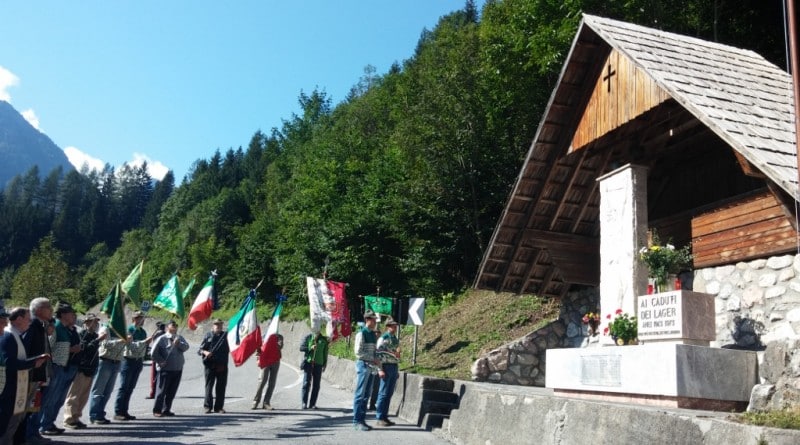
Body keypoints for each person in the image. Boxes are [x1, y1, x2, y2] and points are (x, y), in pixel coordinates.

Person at [0, 307, 49, 445]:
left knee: (12, 423)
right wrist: (33, 363)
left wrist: (34, 361)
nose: (30, 322)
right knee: (6, 424)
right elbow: (10, 363)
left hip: (15, 387)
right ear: (19, 319)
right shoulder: (9, 336)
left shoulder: (15, 335)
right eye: (28, 319)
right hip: (9, 388)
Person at [39, 302, 82, 436]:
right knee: (51, 399)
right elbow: (48, 347)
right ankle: (44, 425)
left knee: (59, 399)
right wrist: (71, 349)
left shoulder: (65, 328)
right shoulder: (57, 327)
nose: (73, 315)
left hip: (63, 366)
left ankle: (49, 422)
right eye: (70, 313)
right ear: (63, 315)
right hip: (55, 366)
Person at [20, 297, 54, 445]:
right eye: (48, 307)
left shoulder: (40, 324)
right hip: (32, 373)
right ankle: (27, 436)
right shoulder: (32, 325)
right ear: (39, 310)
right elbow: (25, 350)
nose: (51, 310)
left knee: (35, 406)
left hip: (39, 373)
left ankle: (33, 433)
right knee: (28, 408)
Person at [62, 313, 101, 429]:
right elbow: (85, 349)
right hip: (81, 368)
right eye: (92, 321)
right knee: (74, 395)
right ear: (86, 323)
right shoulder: (82, 334)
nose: (95, 324)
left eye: (96, 322)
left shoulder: (95, 335)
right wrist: (98, 340)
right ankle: (69, 419)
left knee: (84, 396)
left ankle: (77, 417)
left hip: (91, 368)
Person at [114, 311, 154, 420]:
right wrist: (144, 342)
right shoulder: (129, 330)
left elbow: (144, 348)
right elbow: (129, 345)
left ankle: (125, 411)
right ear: (134, 319)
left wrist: (146, 345)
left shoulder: (143, 331)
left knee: (131, 387)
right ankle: (118, 411)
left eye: (143, 318)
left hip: (138, 360)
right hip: (128, 359)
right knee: (124, 387)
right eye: (139, 318)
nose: (142, 320)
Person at [88, 317, 125, 425]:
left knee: (107, 392)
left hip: (116, 361)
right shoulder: (105, 328)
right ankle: (94, 415)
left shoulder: (121, 330)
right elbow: (104, 344)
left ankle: (100, 414)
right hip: (105, 361)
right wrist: (120, 341)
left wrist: (127, 340)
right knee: (98, 391)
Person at [151, 320, 189, 417]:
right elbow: (153, 353)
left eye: (176, 325)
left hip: (177, 368)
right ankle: (157, 410)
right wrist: (160, 361)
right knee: (161, 391)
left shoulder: (179, 337)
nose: (175, 326)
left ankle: (166, 409)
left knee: (172, 391)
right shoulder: (162, 338)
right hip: (165, 369)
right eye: (173, 325)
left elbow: (186, 347)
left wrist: (178, 344)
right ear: (167, 327)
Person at [352, 310, 380, 431]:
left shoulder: (373, 334)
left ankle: (362, 420)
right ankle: (356, 421)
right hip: (363, 365)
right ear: (368, 320)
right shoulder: (361, 333)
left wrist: (376, 359)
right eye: (374, 320)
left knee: (366, 395)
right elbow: (358, 352)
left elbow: (374, 351)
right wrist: (372, 358)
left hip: (371, 366)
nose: (375, 322)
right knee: (360, 394)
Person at [198, 318, 229, 413]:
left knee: (221, 387)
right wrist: (205, 352)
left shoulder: (226, 335)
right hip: (210, 365)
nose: (218, 326)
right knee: (209, 386)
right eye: (216, 324)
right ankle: (208, 406)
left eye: (220, 324)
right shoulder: (208, 335)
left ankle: (219, 407)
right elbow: (200, 350)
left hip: (222, 364)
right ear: (213, 326)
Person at [375, 317, 401, 426]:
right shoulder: (383, 338)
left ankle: (385, 416)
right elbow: (378, 354)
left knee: (389, 393)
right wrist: (380, 369)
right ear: (388, 327)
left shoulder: (395, 339)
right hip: (385, 366)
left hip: (393, 366)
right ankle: (379, 417)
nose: (395, 327)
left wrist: (397, 368)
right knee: (383, 393)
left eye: (395, 325)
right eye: (393, 325)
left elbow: (397, 354)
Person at [252, 333, 283, 410]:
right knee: (262, 382)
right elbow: (258, 348)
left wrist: (276, 341)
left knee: (272, 383)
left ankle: (266, 403)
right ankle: (256, 401)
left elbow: (280, 346)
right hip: (265, 360)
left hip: (275, 361)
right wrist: (258, 358)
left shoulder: (279, 337)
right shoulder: (264, 335)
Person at [299, 328, 328, 410]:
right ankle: (304, 403)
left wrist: (325, 364)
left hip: (319, 364)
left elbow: (325, 353)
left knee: (316, 385)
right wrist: (310, 348)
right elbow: (301, 348)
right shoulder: (309, 337)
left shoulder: (324, 340)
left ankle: (312, 404)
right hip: (309, 362)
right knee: (306, 383)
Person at [147, 321, 166, 399]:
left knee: (154, 376)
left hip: (157, 356)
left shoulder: (158, 334)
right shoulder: (165, 334)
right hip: (164, 356)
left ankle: (154, 393)